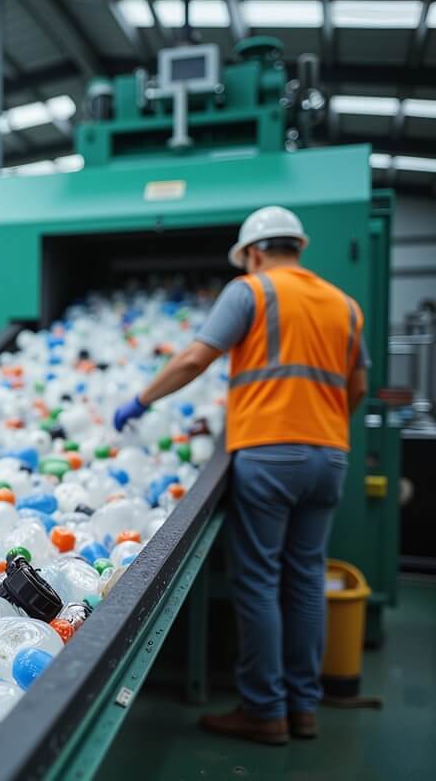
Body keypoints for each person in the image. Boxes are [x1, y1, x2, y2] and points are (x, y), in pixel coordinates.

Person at [114, 206, 367, 745]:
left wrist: (140, 400)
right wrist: (321, 426)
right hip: (330, 456)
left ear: (253, 253)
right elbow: (359, 387)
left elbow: (194, 359)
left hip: (269, 454)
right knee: (306, 580)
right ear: (298, 247)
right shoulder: (345, 305)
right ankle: (304, 708)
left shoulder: (251, 291)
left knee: (259, 581)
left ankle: (265, 711)